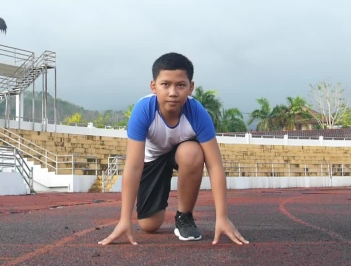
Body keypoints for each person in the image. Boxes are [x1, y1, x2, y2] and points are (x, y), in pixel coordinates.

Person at [98, 52, 249, 246]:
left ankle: (184, 216)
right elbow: (134, 166)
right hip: (153, 160)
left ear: (191, 87)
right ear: (154, 86)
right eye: (165, 84)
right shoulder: (143, 110)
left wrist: (222, 216)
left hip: (182, 154)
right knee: (149, 225)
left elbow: (215, 165)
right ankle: (156, 202)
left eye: (180, 85)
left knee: (192, 152)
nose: (173, 92)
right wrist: (124, 219)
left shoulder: (197, 113)